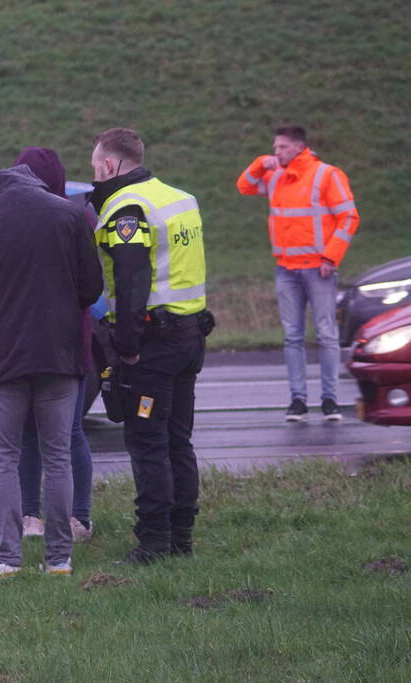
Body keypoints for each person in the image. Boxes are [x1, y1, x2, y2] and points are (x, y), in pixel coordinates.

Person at [0, 162, 103, 578]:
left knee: (4, 457)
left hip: (5, 356)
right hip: (60, 353)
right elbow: (91, 289)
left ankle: (8, 559)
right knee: (58, 454)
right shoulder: (69, 214)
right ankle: (59, 559)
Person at [90, 127, 211, 564]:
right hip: (191, 335)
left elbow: (131, 278)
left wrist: (125, 347)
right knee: (179, 441)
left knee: (147, 443)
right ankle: (182, 539)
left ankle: (154, 543)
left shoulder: (128, 208)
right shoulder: (179, 198)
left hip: (153, 346)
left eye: (95, 167)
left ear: (108, 164)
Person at [237, 126, 359, 422]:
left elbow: (349, 217)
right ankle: (298, 400)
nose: (276, 152)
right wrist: (258, 163)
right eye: (275, 147)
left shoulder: (326, 175)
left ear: (299, 148)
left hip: (319, 268)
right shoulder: (277, 174)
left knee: (327, 334)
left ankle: (330, 400)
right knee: (292, 336)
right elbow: (245, 185)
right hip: (286, 268)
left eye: (281, 147)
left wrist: (331, 256)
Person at [10, 147, 97, 543]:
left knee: (29, 435)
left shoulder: (9, 219)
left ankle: (30, 516)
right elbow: (90, 288)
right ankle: (78, 519)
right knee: (70, 433)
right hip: (68, 344)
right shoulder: (75, 218)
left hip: (20, 343)